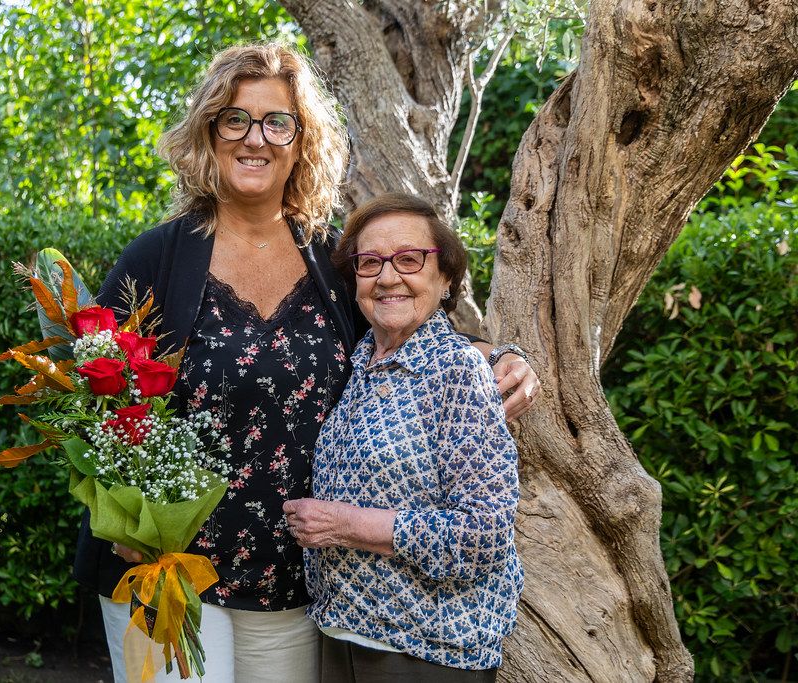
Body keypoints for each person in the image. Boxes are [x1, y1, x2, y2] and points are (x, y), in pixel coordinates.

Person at [74, 44, 536, 683]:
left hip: (291, 571)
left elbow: (402, 327)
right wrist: (116, 512)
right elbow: (91, 397)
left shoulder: (332, 260)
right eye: (234, 119)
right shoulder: (155, 260)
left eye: (276, 122)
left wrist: (495, 355)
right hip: (165, 568)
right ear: (209, 133)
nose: (254, 138)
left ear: (301, 141)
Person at [285, 193, 523, 683]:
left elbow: (484, 537)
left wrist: (347, 524)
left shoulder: (457, 370)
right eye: (370, 262)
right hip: (344, 635)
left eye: (410, 259)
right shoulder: (360, 363)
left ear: (447, 278)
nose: (388, 277)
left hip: (426, 652)